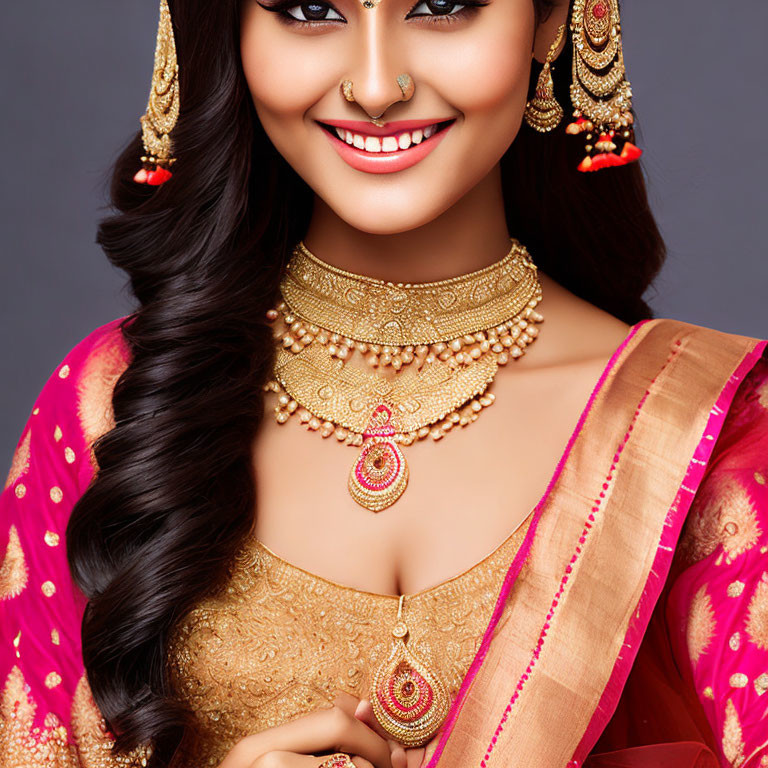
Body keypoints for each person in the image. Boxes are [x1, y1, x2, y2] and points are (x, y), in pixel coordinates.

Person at [1, 0, 766, 766]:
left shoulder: (708, 433)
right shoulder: (111, 405)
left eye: (441, 6)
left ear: (554, 20)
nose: (374, 85)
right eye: (308, 9)